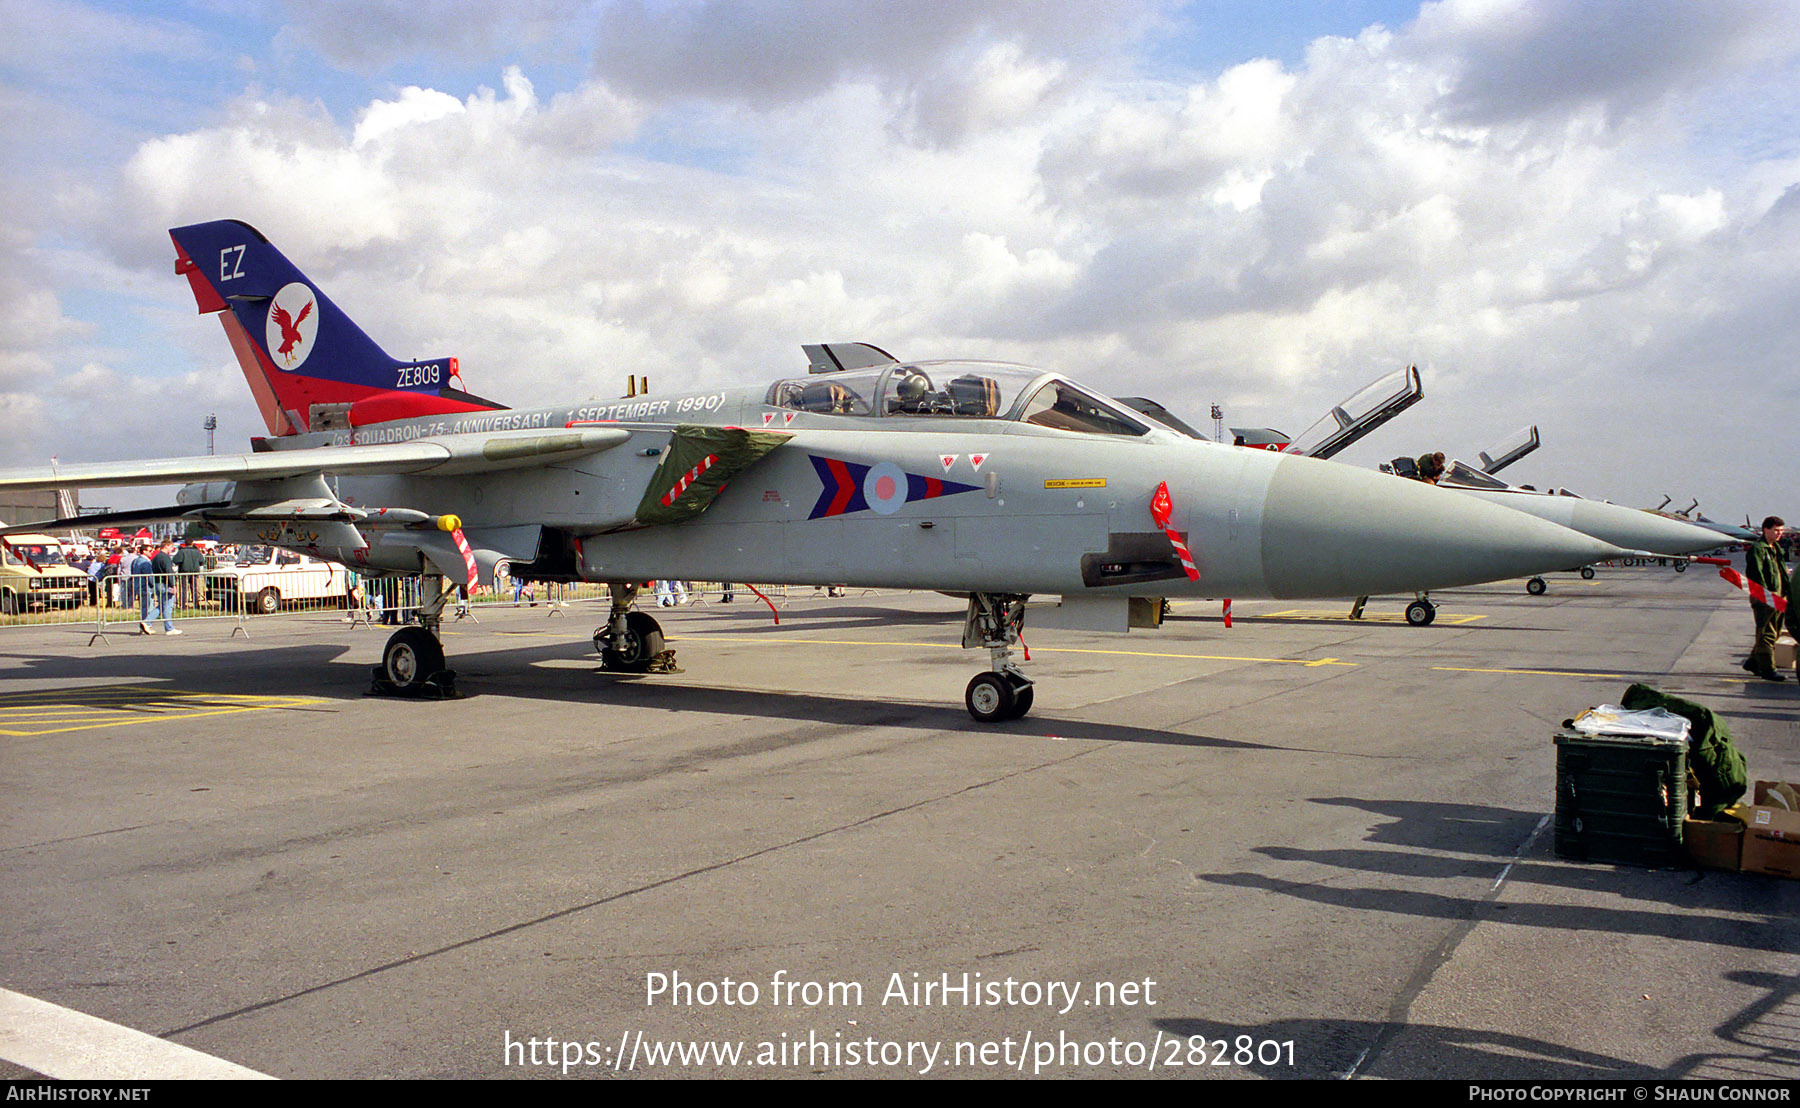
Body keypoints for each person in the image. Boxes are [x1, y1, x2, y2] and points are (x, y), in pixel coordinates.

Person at [1742, 516, 1790, 682]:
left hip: (1779, 597)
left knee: (1775, 632)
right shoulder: (1758, 549)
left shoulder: (1775, 548)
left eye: (1781, 531)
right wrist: (1766, 597)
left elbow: (1781, 572)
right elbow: (1755, 575)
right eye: (1776, 530)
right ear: (1765, 529)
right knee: (1766, 634)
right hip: (1766, 598)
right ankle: (1767, 669)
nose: (1779, 534)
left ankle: (1753, 662)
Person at [150, 540, 181, 634]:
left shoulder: (156, 557)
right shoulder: (165, 557)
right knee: (167, 606)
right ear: (166, 546)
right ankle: (169, 628)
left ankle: (146, 622)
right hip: (165, 584)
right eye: (171, 547)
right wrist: (173, 585)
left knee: (161, 606)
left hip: (158, 583)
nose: (172, 549)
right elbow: (169, 572)